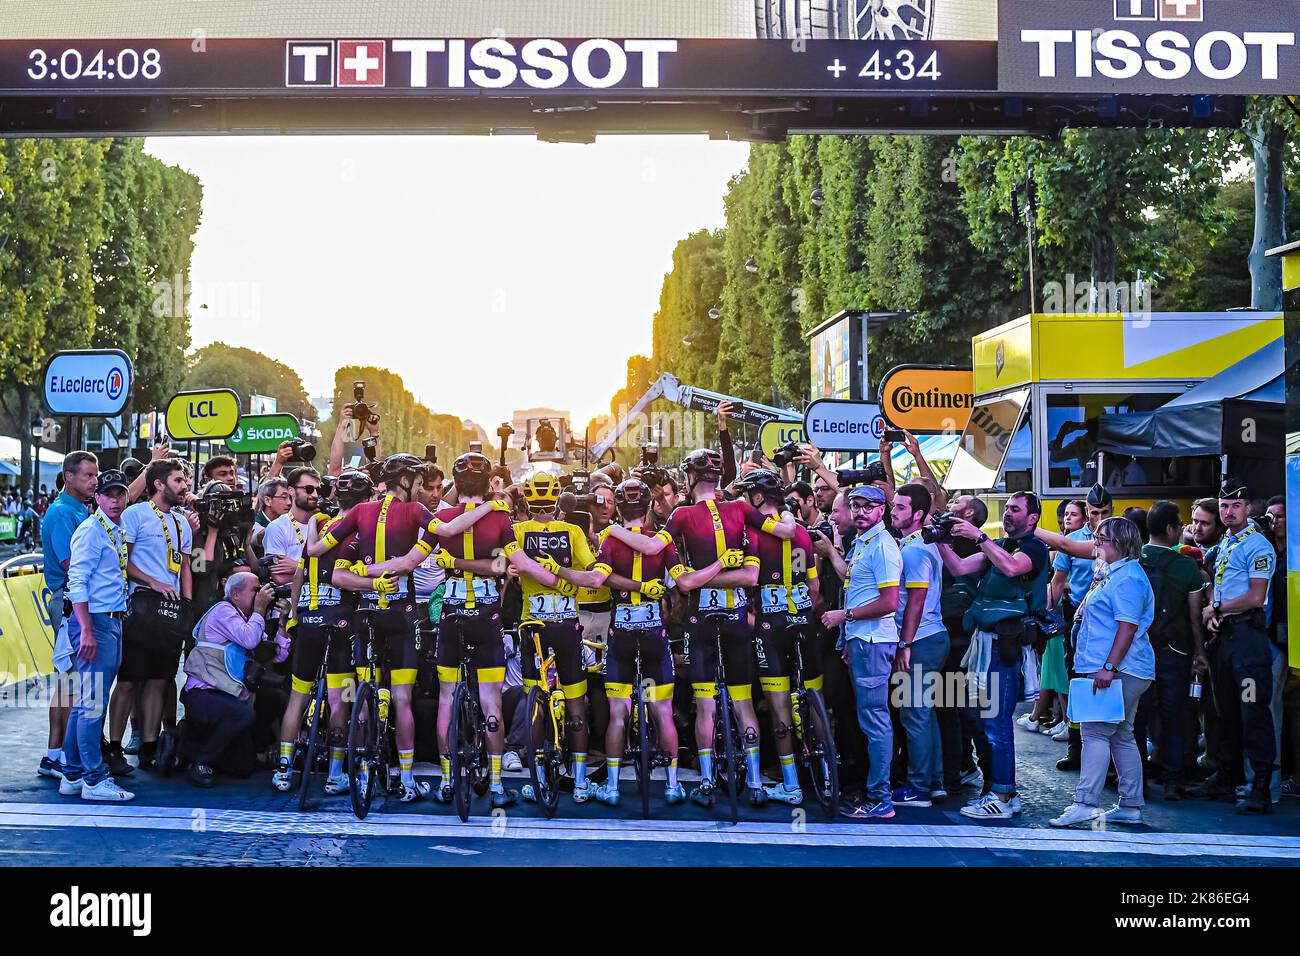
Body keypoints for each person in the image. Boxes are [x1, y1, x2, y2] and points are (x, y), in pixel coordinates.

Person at [608, 448, 797, 807]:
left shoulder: (681, 515)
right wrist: (783, 509)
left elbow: (658, 555)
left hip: (701, 622)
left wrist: (615, 528)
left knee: (705, 705)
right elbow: (781, 538)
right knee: (743, 704)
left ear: (690, 480)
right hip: (739, 617)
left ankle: (708, 779)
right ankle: (755, 782)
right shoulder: (741, 509)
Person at [307, 453, 490, 802]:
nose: (422, 489)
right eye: (419, 483)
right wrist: (491, 507)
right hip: (401, 615)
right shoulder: (415, 511)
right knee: (402, 698)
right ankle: (406, 779)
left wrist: (318, 528)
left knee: (360, 699)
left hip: (365, 614)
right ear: (406, 482)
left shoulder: (360, 512)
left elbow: (317, 553)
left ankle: (358, 774)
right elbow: (450, 530)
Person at [565, 479, 718, 807]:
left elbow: (601, 578)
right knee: (662, 711)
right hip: (653, 634)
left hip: (620, 632)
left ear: (618, 509)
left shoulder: (610, 539)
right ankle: (673, 785)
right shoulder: (661, 542)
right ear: (648, 507)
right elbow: (685, 584)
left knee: (618, 712)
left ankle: (614, 786)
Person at [937, 491, 1050, 821]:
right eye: (1008, 509)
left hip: (1006, 643)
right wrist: (940, 538)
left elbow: (1013, 568)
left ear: (1032, 518)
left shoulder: (1033, 547)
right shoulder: (999, 544)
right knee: (985, 718)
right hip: (984, 642)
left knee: (996, 721)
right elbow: (958, 567)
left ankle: (1001, 794)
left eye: (1016, 509)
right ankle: (1002, 792)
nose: (1009, 514)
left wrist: (980, 537)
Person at [271, 470, 373, 794]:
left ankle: (285, 769)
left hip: (310, 619)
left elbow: (301, 571)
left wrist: (296, 613)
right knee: (339, 698)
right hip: (342, 621)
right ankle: (335, 773)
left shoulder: (318, 524)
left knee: (297, 695)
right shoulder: (362, 532)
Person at [1050, 517, 1155, 828]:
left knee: (1095, 734)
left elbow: (1127, 626)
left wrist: (1108, 667)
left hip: (1118, 669)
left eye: (1101, 539)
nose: (1096, 544)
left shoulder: (1126, 579)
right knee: (1121, 736)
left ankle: (1085, 802)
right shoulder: (1118, 574)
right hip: (1121, 668)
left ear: (1120, 544)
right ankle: (1130, 804)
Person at [426, 453, 516, 807]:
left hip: (450, 608)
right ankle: (495, 784)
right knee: (490, 696)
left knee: (447, 696)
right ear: (488, 482)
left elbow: (415, 559)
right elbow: (501, 566)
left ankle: (447, 780)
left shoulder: (441, 517)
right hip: (486, 610)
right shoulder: (499, 516)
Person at [505, 472, 602, 804]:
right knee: (576, 702)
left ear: (527, 503)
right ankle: (579, 781)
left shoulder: (517, 531)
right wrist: (566, 583)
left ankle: (538, 775)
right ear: (558, 502)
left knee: (536, 702)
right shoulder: (573, 531)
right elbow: (592, 574)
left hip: (532, 626)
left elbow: (504, 572)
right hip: (567, 624)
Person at [734, 469, 821, 806]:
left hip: (770, 626)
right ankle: (826, 773)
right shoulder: (801, 532)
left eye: (746, 495)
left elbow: (745, 583)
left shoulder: (750, 533)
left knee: (779, 705)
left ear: (757, 498)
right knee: (815, 695)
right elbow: (814, 587)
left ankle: (791, 784)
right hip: (804, 620)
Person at [1192, 478, 1277, 814]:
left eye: (1235, 506)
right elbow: (1218, 582)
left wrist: (1217, 608)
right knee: (1225, 708)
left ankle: (1259, 785)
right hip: (1225, 636)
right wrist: (1213, 608)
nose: (1228, 512)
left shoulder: (1258, 545)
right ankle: (1228, 775)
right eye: (1224, 506)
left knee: (1252, 709)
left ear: (1248, 508)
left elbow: (1257, 597)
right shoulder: (1227, 541)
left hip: (1248, 640)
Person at [821, 485, 900, 819]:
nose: (860, 512)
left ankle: (880, 799)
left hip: (872, 642)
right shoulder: (863, 544)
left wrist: (844, 617)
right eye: (855, 505)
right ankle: (876, 793)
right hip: (861, 641)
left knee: (875, 722)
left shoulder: (882, 547)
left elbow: (889, 603)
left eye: (868, 506)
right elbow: (856, 587)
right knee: (871, 720)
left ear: (882, 510)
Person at [110, 459, 194, 775]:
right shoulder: (135, 515)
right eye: (177, 480)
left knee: (160, 680)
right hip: (141, 606)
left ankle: (149, 747)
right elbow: (124, 560)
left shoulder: (183, 522)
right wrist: (153, 581)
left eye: (185, 480)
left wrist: (187, 605)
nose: (184, 485)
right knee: (130, 680)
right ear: (158, 484)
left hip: (171, 611)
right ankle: (115, 746)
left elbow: (185, 565)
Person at [57, 470, 134, 802]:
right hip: (96, 622)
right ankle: (93, 778)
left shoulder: (113, 530)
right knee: (92, 704)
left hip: (109, 620)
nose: (115, 499)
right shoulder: (91, 531)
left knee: (86, 702)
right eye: (109, 494)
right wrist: (86, 629)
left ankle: (73, 773)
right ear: (97, 498)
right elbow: (77, 581)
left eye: (120, 493)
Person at [178, 572, 287, 786]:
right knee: (242, 714)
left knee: (243, 768)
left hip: (229, 695)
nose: (261, 594)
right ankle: (199, 761)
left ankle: (196, 748)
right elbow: (249, 640)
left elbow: (277, 654)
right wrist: (259, 611)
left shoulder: (247, 619)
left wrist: (282, 622)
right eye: (256, 590)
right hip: (204, 694)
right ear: (236, 594)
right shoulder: (222, 611)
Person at [1134, 500, 1209, 801]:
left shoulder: (1133, 560)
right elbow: (1195, 618)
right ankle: (1174, 780)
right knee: (1174, 714)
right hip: (1175, 651)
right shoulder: (1186, 567)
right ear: (1169, 529)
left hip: (1137, 651)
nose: (1182, 530)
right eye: (1179, 525)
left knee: (1137, 716)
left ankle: (1136, 776)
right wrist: (1199, 653)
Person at [1036, 483, 1113, 769]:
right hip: (1077, 618)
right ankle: (1076, 749)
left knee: (1107, 686)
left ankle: (1106, 756)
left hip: (1109, 622)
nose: (1099, 518)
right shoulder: (1075, 539)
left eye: (1104, 512)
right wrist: (1042, 615)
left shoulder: (1119, 538)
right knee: (1076, 684)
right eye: (1094, 512)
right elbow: (1057, 582)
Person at [890, 483, 950, 807]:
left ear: (918, 515)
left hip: (921, 639)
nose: (892, 510)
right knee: (923, 714)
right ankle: (933, 783)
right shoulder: (918, 544)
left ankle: (919, 789)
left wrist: (904, 643)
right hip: (929, 637)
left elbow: (916, 600)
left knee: (914, 714)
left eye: (899, 507)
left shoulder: (914, 550)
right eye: (894, 505)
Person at [37, 451, 97, 780]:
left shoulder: (77, 509)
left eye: (95, 474)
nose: (94, 481)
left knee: (69, 682)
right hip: (70, 601)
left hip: (75, 600)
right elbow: (69, 565)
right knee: (71, 683)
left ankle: (56, 756)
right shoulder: (61, 513)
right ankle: (60, 756)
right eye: (88, 475)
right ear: (69, 477)